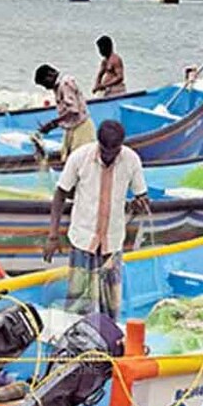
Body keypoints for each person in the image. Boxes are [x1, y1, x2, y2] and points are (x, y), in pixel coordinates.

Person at [43, 120, 150, 318]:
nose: (109, 156)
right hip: (83, 240)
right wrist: (53, 235)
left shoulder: (131, 160)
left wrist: (139, 204)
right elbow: (60, 194)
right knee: (78, 304)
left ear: (120, 146)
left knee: (111, 307)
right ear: (98, 144)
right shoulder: (80, 157)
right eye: (105, 151)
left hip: (112, 243)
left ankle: (107, 335)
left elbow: (140, 195)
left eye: (114, 152)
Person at [34, 64, 95, 161]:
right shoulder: (58, 87)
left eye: (44, 84)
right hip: (71, 128)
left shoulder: (65, 84)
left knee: (79, 160)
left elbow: (73, 110)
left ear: (50, 75)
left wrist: (53, 124)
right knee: (67, 158)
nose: (46, 88)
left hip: (81, 127)